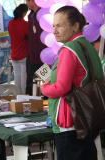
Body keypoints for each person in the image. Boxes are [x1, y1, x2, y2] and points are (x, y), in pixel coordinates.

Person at [42, 6, 103, 160]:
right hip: (89, 118)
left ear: (75, 26)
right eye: (53, 26)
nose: (54, 31)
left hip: (70, 121)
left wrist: (45, 89)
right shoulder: (89, 47)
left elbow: (62, 87)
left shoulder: (69, 49)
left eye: (60, 26)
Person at [26, 0, 47, 95]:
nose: (26, 3)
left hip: (45, 56)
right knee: (31, 83)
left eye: (26, 1)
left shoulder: (45, 14)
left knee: (43, 84)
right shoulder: (31, 15)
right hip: (32, 55)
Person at [8, 4, 29, 94]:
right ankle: (23, 94)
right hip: (23, 54)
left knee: (17, 76)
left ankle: (18, 95)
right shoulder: (25, 24)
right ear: (24, 13)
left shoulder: (10, 23)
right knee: (24, 76)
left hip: (14, 54)